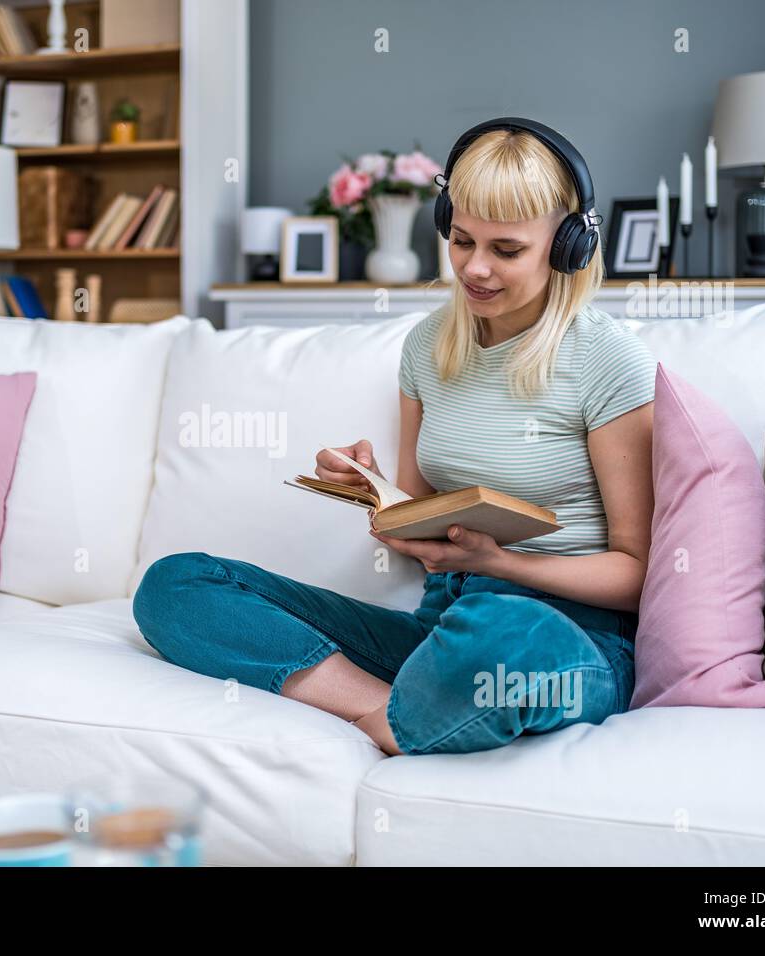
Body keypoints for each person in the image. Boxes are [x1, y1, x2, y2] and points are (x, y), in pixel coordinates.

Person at [132, 118, 657, 757]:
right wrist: (373, 489)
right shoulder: (428, 346)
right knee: (177, 583)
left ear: (568, 245)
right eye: (461, 240)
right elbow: (418, 527)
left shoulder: (608, 360)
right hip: (441, 630)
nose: (475, 268)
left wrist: (501, 564)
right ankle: (383, 711)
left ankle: (431, 699)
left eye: (507, 250)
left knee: (505, 630)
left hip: (567, 639)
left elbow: (638, 573)